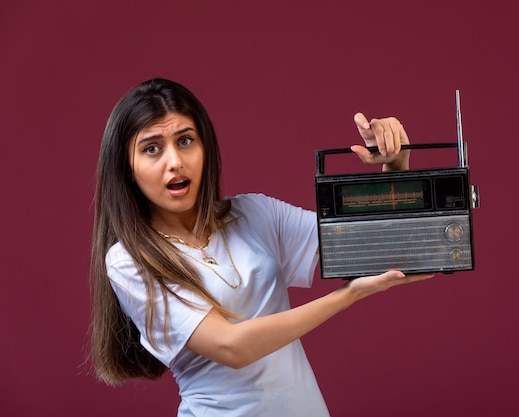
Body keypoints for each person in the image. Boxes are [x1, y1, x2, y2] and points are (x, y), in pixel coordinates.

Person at [89, 78, 434, 417]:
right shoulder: (129, 261)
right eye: (152, 148)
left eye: (185, 141)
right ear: (127, 168)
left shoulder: (254, 213)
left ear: (205, 148)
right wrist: (348, 295)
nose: (175, 161)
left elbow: (384, 247)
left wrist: (395, 165)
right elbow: (232, 347)